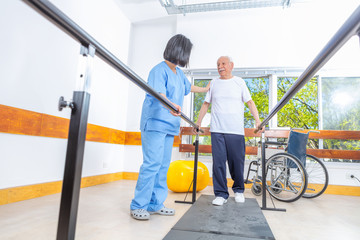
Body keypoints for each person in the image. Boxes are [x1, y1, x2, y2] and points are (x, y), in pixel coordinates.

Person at [130, 34, 210, 220]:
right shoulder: (159, 70)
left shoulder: (178, 73)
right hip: (155, 123)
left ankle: (155, 204)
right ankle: (138, 205)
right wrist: (171, 106)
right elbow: (159, 94)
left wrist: (206, 89)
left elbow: (188, 88)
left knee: (163, 165)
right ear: (180, 50)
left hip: (170, 125)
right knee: (152, 164)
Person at [195, 56, 263, 206]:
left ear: (231, 65)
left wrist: (258, 120)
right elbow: (206, 104)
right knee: (218, 163)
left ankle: (238, 190)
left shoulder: (239, 82)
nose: (220, 66)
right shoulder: (213, 83)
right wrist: (198, 122)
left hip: (235, 130)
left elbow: (250, 102)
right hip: (217, 130)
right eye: (218, 64)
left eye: (223, 63)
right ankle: (220, 194)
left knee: (236, 163)